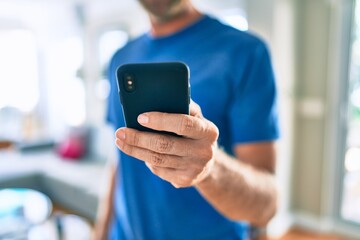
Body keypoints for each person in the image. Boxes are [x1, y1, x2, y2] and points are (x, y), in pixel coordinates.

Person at [94, 0, 279, 239]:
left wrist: (210, 169)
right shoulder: (120, 58)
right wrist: (100, 231)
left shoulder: (245, 53)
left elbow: (267, 205)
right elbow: (119, 161)